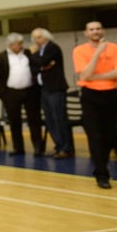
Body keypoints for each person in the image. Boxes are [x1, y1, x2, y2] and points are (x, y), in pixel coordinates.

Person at [72, 21, 117, 189]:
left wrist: (94, 76)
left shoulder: (114, 47)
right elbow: (85, 75)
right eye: (91, 29)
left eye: (98, 29)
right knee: (95, 135)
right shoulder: (79, 50)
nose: (95, 32)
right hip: (90, 97)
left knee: (109, 136)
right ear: (86, 33)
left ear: (102, 30)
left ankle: (100, 167)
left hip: (110, 94)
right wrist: (98, 53)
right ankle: (102, 174)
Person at [0, 32, 45, 156]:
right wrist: (3, 93)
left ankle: (38, 147)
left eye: (21, 43)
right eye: (17, 44)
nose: (20, 46)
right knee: (14, 121)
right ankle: (18, 147)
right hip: (11, 93)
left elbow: (37, 66)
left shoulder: (28, 53)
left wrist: (34, 53)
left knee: (34, 120)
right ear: (10, 45)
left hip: (30, 91)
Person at [31, 27, 74, 159]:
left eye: (38, 37)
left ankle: (66, 148)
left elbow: (40, 62)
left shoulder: (52, 47)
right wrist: (43, 66)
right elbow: (34, 66)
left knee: (59, 118)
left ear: (46, 37)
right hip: (44, 89)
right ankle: (58, 146)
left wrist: (35, 57)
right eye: (34, 38)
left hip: (55, 89)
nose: (36, 40)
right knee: (50, 120)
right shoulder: (41, 51)